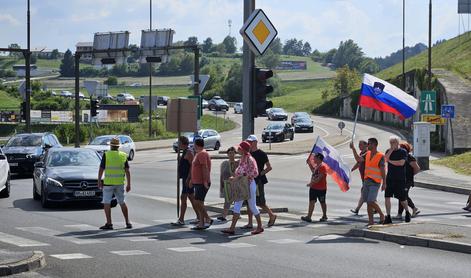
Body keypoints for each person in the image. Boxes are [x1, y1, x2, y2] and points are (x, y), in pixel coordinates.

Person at [222, 141, 264, 235]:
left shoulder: (250, 159)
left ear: (243, 150)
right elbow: (240, 172)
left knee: (251, 206)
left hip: (247, 184)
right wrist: (235, 177)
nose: (238, 150)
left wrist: (241, 176)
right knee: (238, 205)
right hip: (242, 185)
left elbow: (255, 173)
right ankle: (232, 228)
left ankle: (259, 227)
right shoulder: (243, 158)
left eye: (239, 148)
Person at [97, 137, 132, 230]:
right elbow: (127, 171)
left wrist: (99, 181)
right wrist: (129, 184)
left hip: (108, 183)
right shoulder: (123, 155)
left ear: (111, 146)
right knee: (122, 202)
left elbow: (101, 169)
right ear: (118, 146)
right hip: (120, 183)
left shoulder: (106, 155)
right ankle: (128, 222)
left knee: (106, 203)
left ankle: (109, 223)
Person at [350, 138, 386, 226]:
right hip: (366, 181)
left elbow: (383, 170)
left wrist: (384, 183)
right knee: (368, 202)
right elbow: (358, 160)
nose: (367, 145)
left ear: (374, 145)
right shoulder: (367, 153)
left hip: (375, 182)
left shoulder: (380, 156)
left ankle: (382, 215)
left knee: (371, 201)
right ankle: (371, 222)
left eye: (369, 144)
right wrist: (353, 149)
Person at [244, 135, 277, 228]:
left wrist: (260, 174)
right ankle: (250, 222)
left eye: (251, 142)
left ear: (255, 142)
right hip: (248, 180)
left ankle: (272, 215)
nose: (249, 143)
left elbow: (269, 167)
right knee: (248, 201)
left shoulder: (261, 154)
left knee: (260, 202)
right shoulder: (247, 154)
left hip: (258, 181)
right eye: (248, 141)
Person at [384, 136, 411, 224]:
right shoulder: (388, 151)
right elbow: (385, 159)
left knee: (402, 198)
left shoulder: (403, 152)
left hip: (400, 178)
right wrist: (391, 151)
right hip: (390, 178)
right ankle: (388, 216)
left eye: (393, 142)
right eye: (390, 142)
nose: (392, 144)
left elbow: (401, 163)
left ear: (397, 143)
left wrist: (390, 161)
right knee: (387, 197)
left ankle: (407, 212)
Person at [172, 136, 196, 226]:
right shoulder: (185, 151)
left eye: (179, 142)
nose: (178, 144)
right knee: (191, 198)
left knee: (185, 197)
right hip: (185, 178)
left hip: (188, 179)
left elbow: (192, 166)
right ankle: (199, 217)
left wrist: (189, 178)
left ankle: (182, 219)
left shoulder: (189, 152)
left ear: (182, 143)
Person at [394, 141, 421, 219]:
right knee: (401, 196)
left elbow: (417, 168)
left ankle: (414, 209)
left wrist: (410, 176)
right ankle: (399, 214)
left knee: (403, 195)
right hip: (400, 179)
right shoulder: (400, 157)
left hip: (407, 180)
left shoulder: (409, 157)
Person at [190, 138, 213, 230]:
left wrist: (205, 181)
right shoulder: (198, 154)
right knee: (200, 202)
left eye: (194, 144)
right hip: (197, 182)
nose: (193, 146)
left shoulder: (202, 153)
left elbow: (205, 168)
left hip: (201, 182)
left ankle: (208, 218)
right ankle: (201, 223)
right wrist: (192, 180)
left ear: (197, 144)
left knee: (197, 202)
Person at [301, 153, 328, 222]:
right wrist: (309, 164)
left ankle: (324, 215)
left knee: (322, 202)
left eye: (315, 158)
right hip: (314, 187)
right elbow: (314, 171)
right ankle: (309, 216)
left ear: (319, 158)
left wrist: (311, 183)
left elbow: (319, 178)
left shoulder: (322, 167)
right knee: (311, 201)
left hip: (321, 188)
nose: (313, 159)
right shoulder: (317, 166)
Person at [218, 147, 239, 222]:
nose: (231, 154)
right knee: (227, 201)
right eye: (230, 153)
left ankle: (236, 214)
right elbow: (221, 175)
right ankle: (224, 216)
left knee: (237, 201)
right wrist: (221, 185)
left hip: (236, 184)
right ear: (227, 154)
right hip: (227, 184)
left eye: (233, 153)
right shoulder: (224, 163)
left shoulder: (238, 163)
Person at [350, 140, 368, 215]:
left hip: (367, 177)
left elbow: (358, 159)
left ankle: (357, 209)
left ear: (366, 145)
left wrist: (353, 149)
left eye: (360, 144)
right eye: (358, 144)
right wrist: (351, 170)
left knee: (364, 193)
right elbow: (358, 163)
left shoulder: (367, 153)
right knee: (366, 194)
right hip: (364, 177)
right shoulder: (362, 153)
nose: (359, 146)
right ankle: (374, 208)